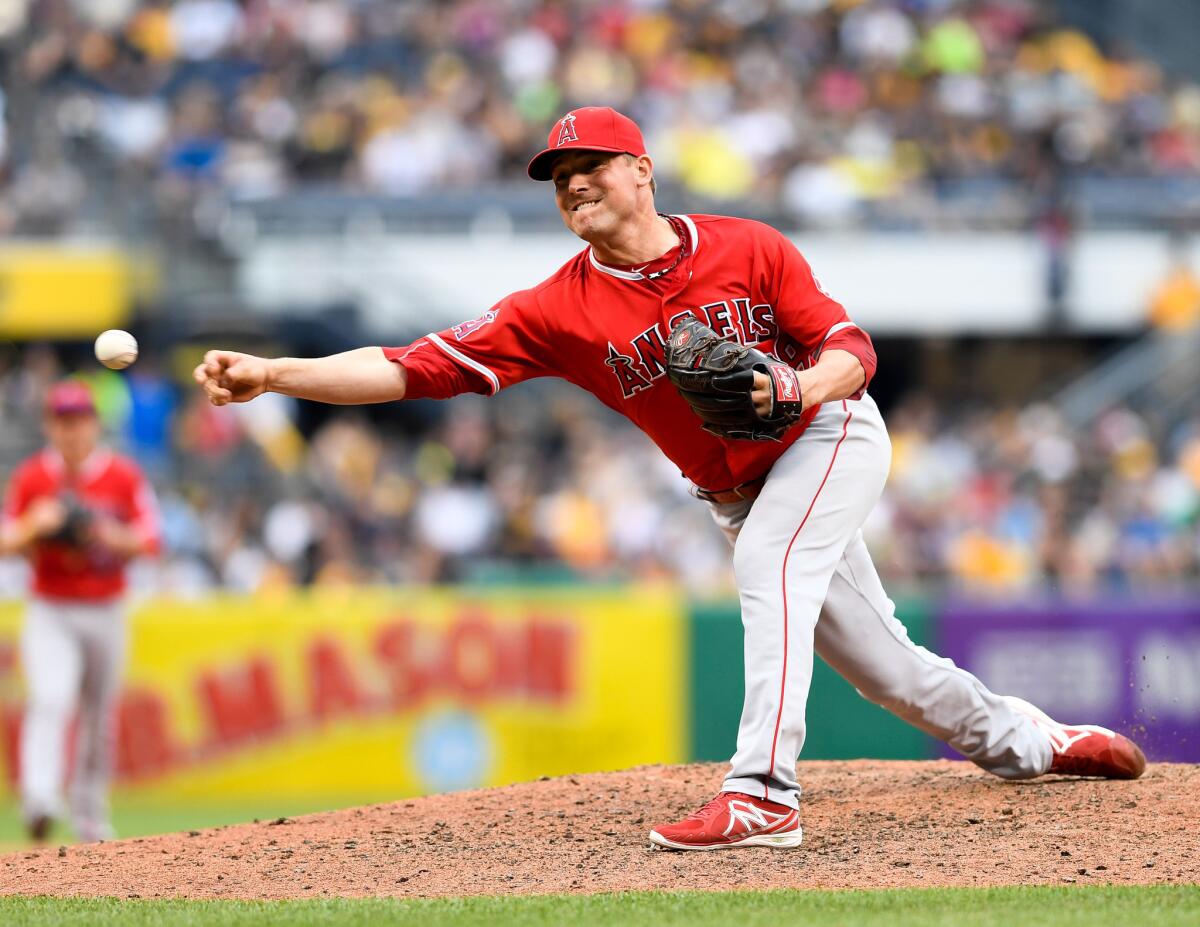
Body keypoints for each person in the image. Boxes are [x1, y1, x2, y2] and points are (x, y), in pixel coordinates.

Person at [193, 107, 1146, 851]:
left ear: (641, 171)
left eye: (591, 170)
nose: (574, 190)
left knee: (772, 560)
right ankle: (1038, 744)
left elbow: (851, 347)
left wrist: (796, 386)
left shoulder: (748, 246)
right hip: (739, 490)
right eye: (560, 182)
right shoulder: (555, 309)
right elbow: (413, 364)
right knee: (894, 673)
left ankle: (762, 795)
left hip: (831, 435)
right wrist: (277, 374)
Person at [0, 381, 161, 843]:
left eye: (79, 420)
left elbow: (151, 540)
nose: (72, 431)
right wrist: (35, 524)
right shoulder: (33, 478)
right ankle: (40, 798)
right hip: (51, 604)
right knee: (51, 697)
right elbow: (7, 540)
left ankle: (90, 817)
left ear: (93, 423)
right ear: (50, 425)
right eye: (62, 421)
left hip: (106, 606)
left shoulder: (123, 476)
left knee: (99, 717)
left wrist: (108, 534)